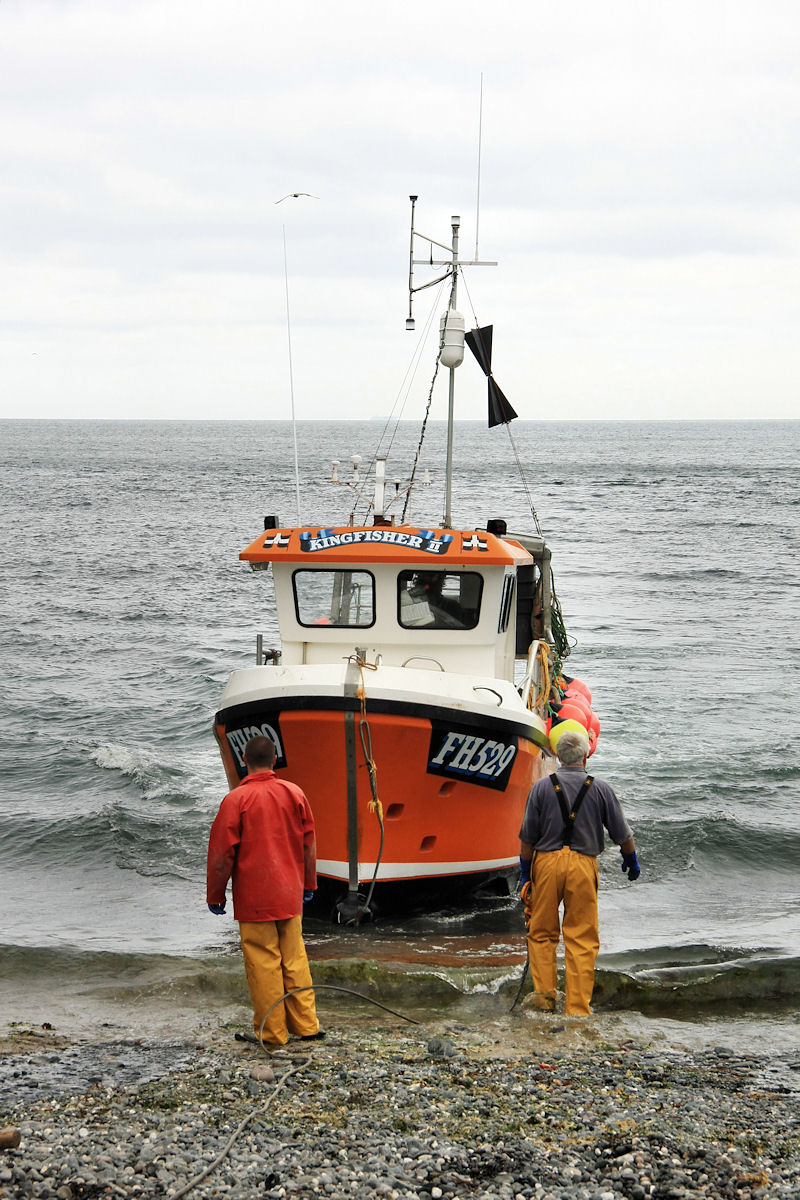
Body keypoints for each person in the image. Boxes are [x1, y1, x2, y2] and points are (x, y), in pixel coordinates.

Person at [206, 735, 322, 1046]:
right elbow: (308, 845)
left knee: (263, 961)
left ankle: (272, 1033)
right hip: (289, 893)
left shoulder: (236, 800)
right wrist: (309, 884)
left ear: (244, 761)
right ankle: (307, 1026)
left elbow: (221, 855)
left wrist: (216, 895)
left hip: (256, 898)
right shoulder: (294, 793)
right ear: (274, 761)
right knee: (294, 958)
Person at [518, 728, 640, 1017]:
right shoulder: (601, 789)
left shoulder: (541, 787)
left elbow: (527, 840)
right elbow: (622, 835)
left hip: (546, 864)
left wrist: (525, 874)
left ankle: (545, 999)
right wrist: (630, 859)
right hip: (583, 865)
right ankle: (577, 1009)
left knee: (541, 933)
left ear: (558, 756)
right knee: (581, 938)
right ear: (585, 755)